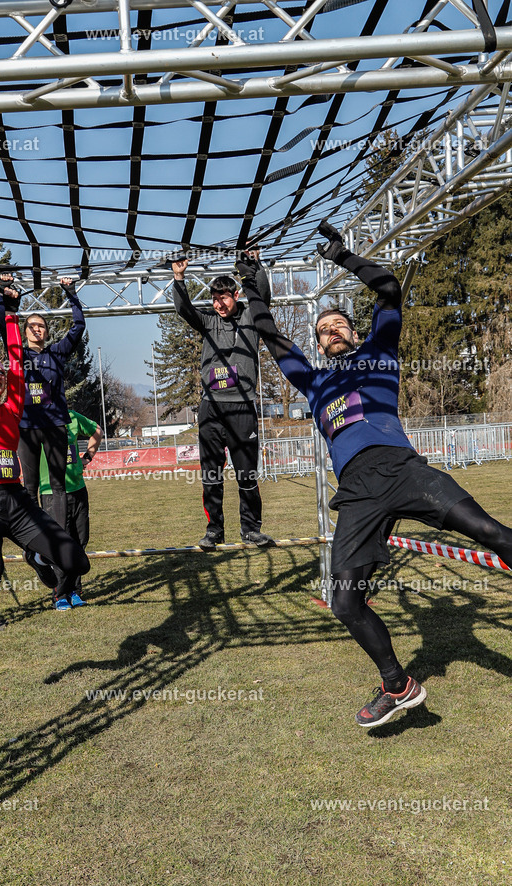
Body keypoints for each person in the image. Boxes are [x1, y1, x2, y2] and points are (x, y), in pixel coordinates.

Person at [236, 224, 512, 728]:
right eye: (323, 330)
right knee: (344, 601)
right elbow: (271, 337)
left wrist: (342, 255)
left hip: (403, 469)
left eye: (338, 323)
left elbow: (387, 288)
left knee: (491, 533)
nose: (331, 331)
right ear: (318, 344)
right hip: (357, 492)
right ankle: (397, 685)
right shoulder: (314, 382)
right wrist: (255, 287)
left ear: (354, 331)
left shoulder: (380, 353)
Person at [0, 269, 90, 645]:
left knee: (77, 561)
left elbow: (16, 360)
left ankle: (37, 556)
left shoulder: (13, 407)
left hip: (18, 503)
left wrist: (12, 312)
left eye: (1, 372)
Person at [171, 255, 274, 550]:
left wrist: (255, 266)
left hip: (243, 406)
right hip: (211, 407)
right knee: (211, 475)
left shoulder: (251, 317)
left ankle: (251, 530)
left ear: (236, 295)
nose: (218, 304)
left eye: (223, 298)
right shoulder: (208, 320)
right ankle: (214, 530)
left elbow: (263, 295)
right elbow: (183, 309)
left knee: (247, 474)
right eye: (215, 299)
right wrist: (179, 278)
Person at [0, 274, 86, 530]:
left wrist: (71, 294)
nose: (37, 329)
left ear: (47, 332)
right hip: (26, 428)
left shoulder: (57, 353)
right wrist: (5, 296)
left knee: (58, 485)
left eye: (41, 326)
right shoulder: (17, 353)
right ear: (24, 331)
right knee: (30, 486)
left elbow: (78, 326)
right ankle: (34, 537)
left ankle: (59, 537)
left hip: (55, 426)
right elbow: (4, 327)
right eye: (32, 325)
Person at [39, 409, 103, 609]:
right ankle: (60, 594)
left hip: (78, 490)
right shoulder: (35, 419)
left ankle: (75, 591)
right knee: (60, 543)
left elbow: (97, 430)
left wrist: (87, 457)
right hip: (51, 492)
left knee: (79, 541)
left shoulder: (72, 416)